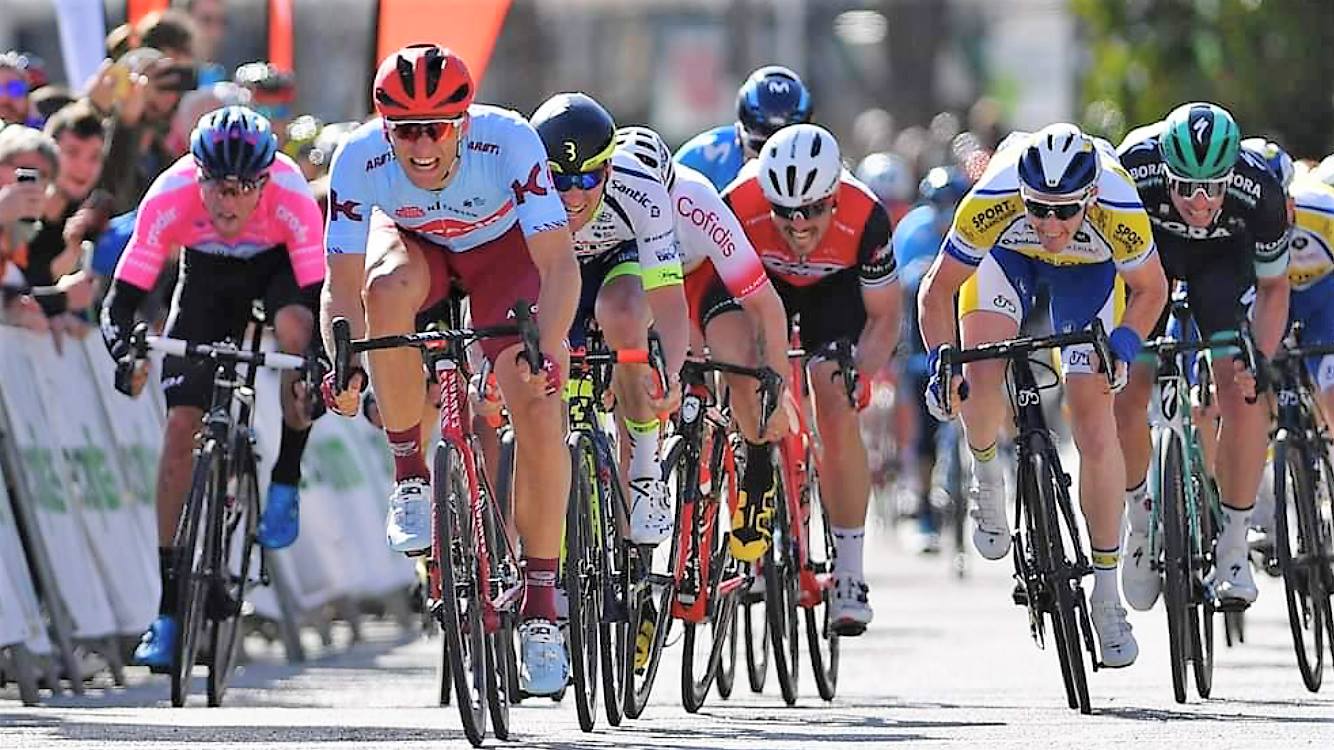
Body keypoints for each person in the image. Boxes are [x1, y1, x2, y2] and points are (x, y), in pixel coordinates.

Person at [318, 44, 579, 696]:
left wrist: (546, 348)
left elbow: (558, 264)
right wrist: (342, 362)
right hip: (417, 251)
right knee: (382, 291)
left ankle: (542, 603)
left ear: (462, 122)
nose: (421, 145)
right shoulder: (359, 157)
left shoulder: (509, 141)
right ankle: (410, 474)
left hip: (501, 255)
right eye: (405, 130)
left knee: (537, 402)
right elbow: (340, 288)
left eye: (435, 128)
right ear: (385, 128)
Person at [918, 123, 1168, 667]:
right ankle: (987, 474)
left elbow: (1152, 289)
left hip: (1089, 273)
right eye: (1039, 208)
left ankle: (1107, 598)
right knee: (980, 368)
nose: (1051, 224)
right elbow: (937, 291)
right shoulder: (993, 197)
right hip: (1007, 258)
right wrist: (942, 363)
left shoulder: (1119, 203)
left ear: (1091, 196)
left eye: (1065, 211)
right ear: (1022, 193)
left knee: (1094, 424)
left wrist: (1123, 345)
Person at [99, 106, 324, 670]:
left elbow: (319, 302)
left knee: (296, 334)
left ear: (265, 181)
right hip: (206, 277)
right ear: (197, 176)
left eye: (244, 187)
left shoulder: (292, 197)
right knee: (181, 430)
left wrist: (314, 369)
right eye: (218, 187)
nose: (229, 201)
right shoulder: (170, 195)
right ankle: (169, 610)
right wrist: (125, 352)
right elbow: (121, 302)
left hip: (278, 270)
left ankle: (286, 477)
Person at [723, 123, 902, 635]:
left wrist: (860, 376)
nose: (798, 225)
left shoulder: (865, 214)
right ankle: (755, 485)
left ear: (835, 196)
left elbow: (885, 317)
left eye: (813, 210)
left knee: (835, 397)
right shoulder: (738, 202)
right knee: (746, 379)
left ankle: (849, 572)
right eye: (784, 211)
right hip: (764, 288)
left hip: (835, 295)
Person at [1116, 103, 1290, 612]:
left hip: (1222, 266)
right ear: (1164, 170)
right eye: (1186, 187)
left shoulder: (1259, 189)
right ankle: (1140, 522)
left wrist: (1260, 359)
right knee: (1127, 390)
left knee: (1242, 389)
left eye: (1213, 188)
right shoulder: (1132, 170)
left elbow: (1274, 287)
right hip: (1152, 262)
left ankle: (1234, 545)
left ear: (1231, 175)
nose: (1199, 201)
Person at [615, 124, 790, 561]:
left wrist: (776, 386)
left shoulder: (697, 201)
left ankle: (757, 465)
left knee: (738, 359)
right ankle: (632, 550)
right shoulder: (611, 203)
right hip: (649, 286)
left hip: (706, 281)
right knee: (637, 389)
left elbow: (765, 305)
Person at [529, 93, 688, 546]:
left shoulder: (642, 189)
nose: (573, 194)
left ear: (610, 170)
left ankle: (644, 471)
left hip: (618, 262)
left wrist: (670, 373)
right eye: (559, 179)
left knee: (622, 313)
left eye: (588, 177)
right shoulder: (520, 186)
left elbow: (668, 299)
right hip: (555, 267)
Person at [674, 65, 813, 191]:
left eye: (784, 151)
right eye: (760, 147)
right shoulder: (701, 155)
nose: (767, 161)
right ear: (742, 131)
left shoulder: (819, 166)